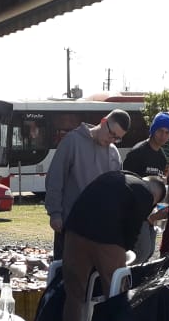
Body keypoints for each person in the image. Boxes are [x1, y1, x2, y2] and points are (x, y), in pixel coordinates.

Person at [61, 172, 166, 321]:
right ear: (155, 198)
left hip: (74, 230)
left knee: (74, 294)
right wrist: (125, 253)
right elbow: (132, 233)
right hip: (107, 238)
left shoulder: (115, 176)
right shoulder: (146, 194)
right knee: (116, 293)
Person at [44, 108, 131, 259]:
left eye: (117, 138)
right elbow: (55, 179)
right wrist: (55, 213)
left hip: (99, 229)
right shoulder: (72, 141)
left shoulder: (114, 153)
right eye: (112, 134)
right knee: (64, 274)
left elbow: (116, 193)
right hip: (70, 224)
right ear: (104, 122)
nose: (112, 140)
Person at [123, 111, 169, 177]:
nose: (163, 136)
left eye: (167, 133)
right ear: (153, 130)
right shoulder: (136, 153)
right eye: (160, 131)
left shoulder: (162, 158)